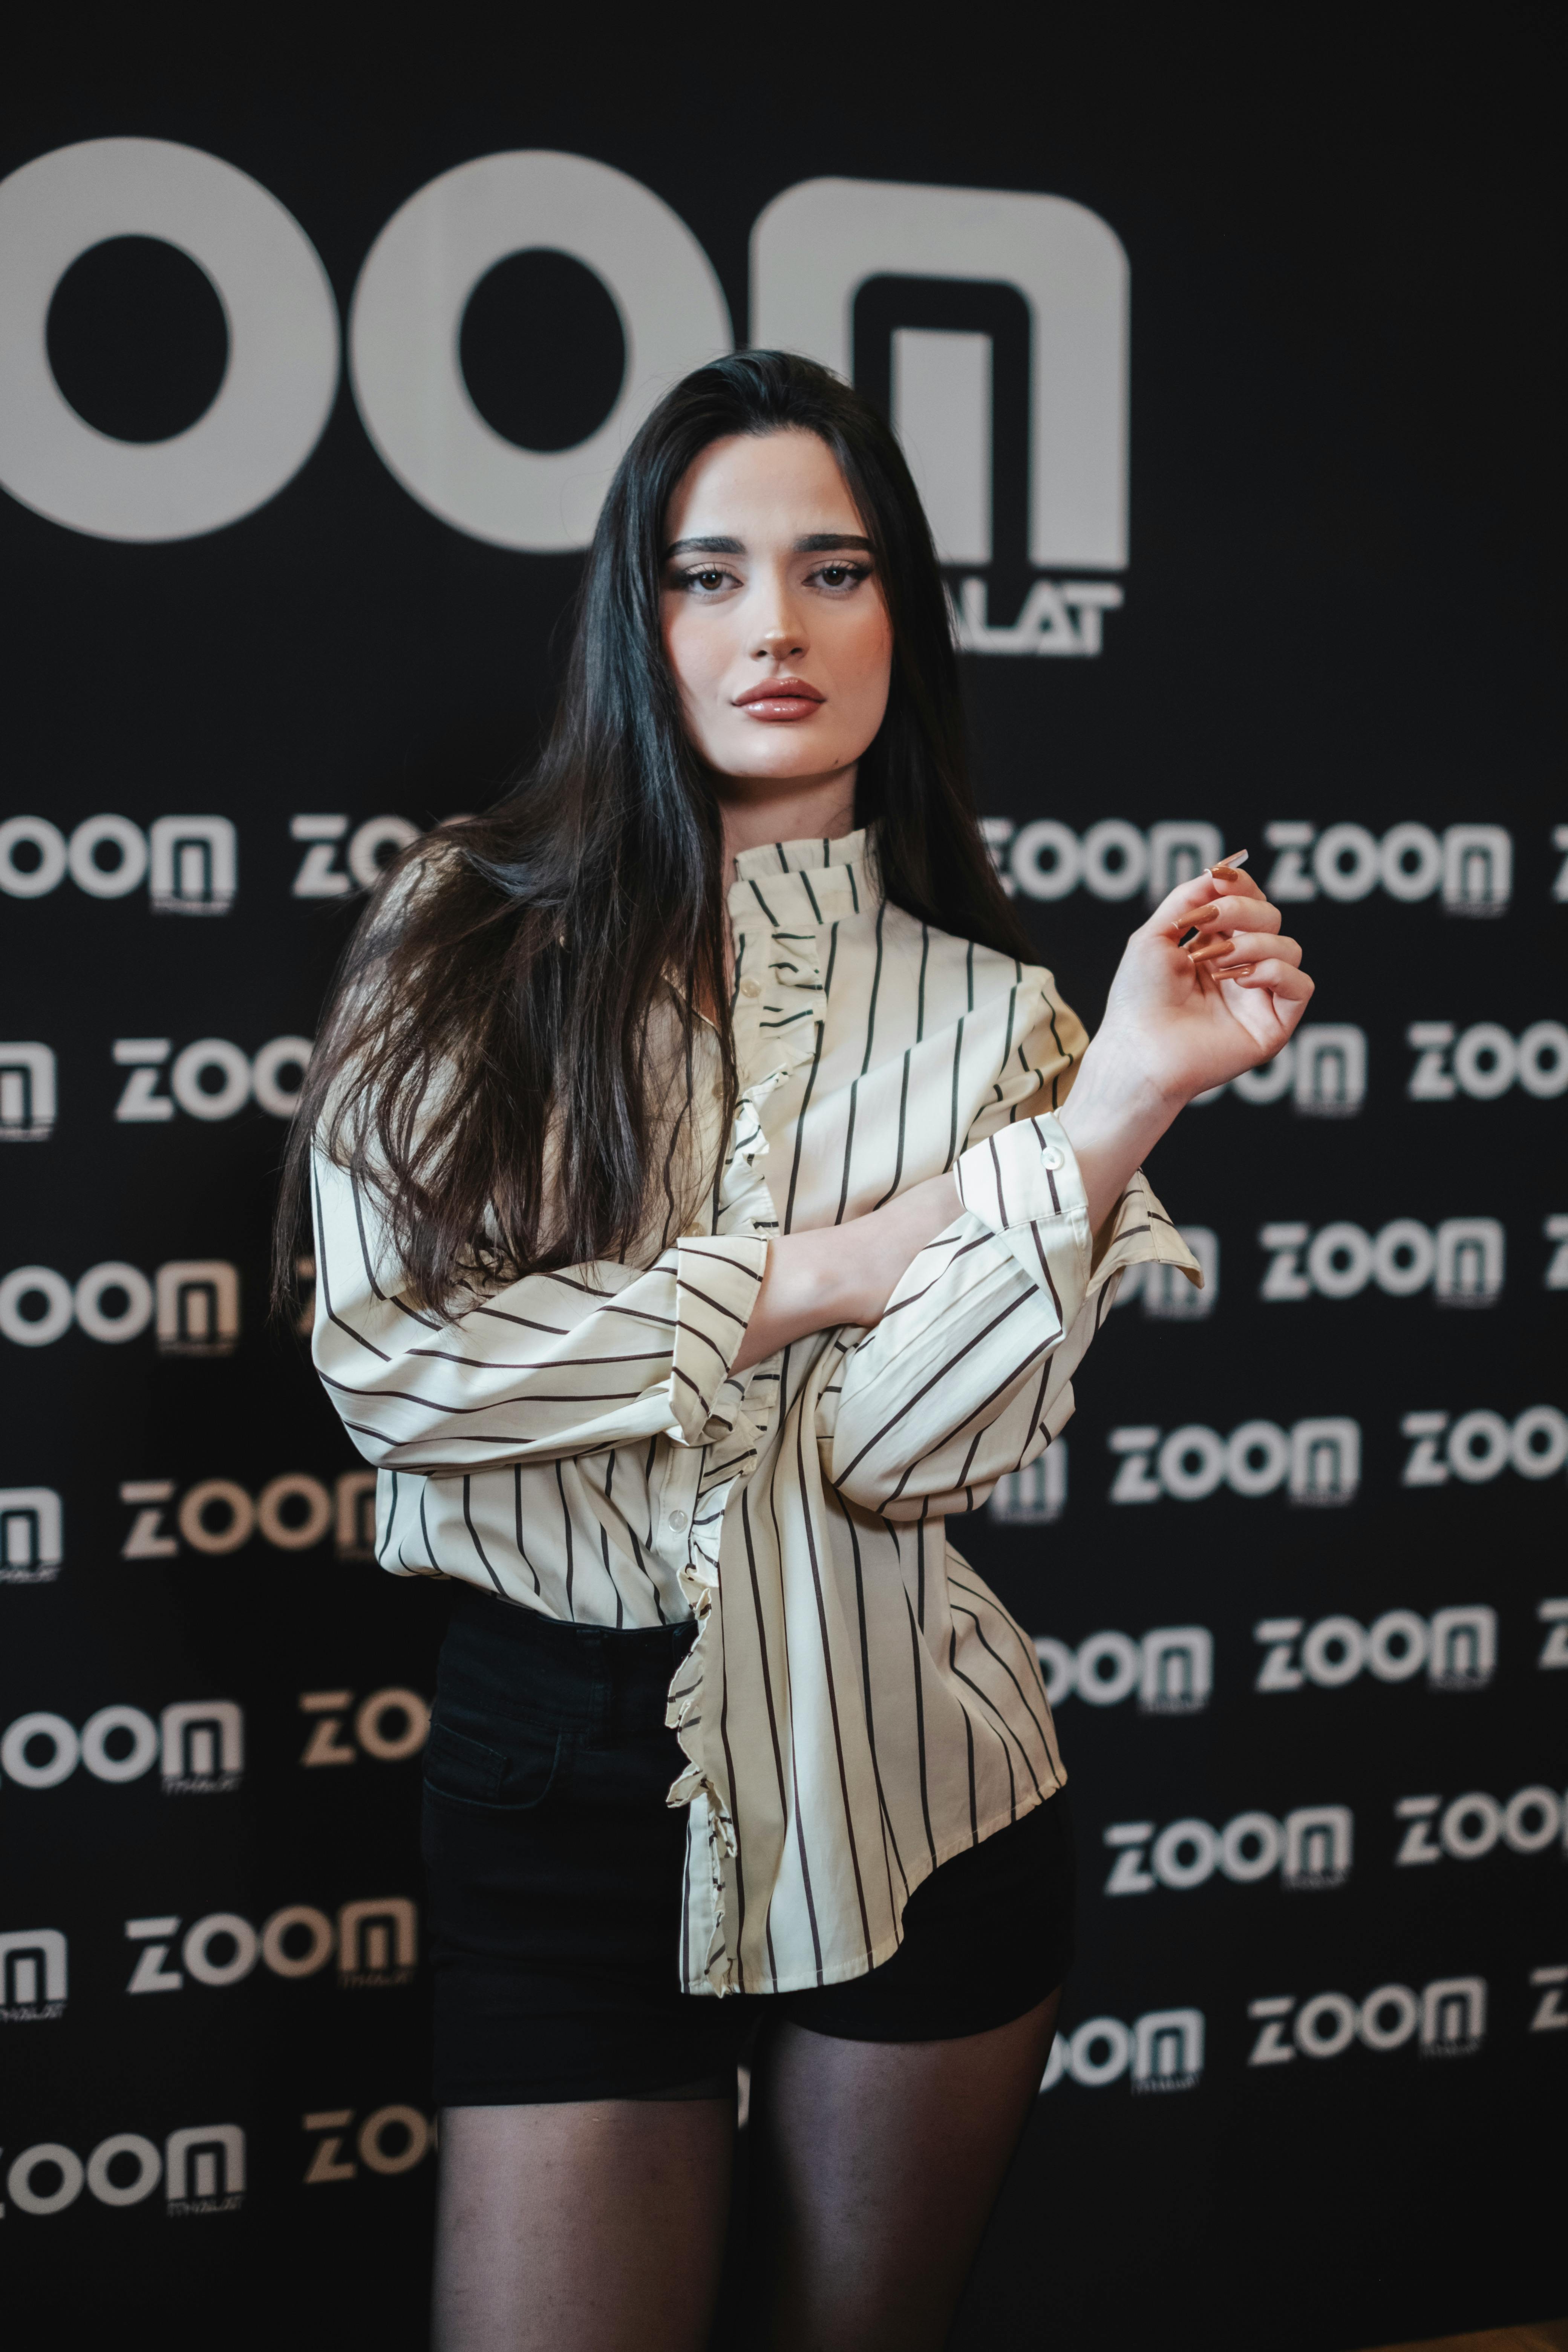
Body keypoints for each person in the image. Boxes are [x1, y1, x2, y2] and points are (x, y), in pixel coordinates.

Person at [279, 349, 1312, 2352]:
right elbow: (398, 1372)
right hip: (554, 1772)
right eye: (711, 574)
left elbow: (906, 1463)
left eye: (836, 572)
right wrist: (840, 1259)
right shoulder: (464, 928)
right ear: (635, 615)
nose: (777, 628)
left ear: (900, 618)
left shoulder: (1010, 1023)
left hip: (912, 1781)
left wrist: (1116, 1115)